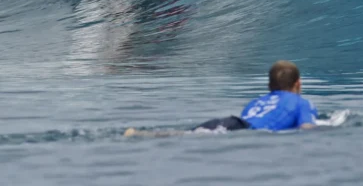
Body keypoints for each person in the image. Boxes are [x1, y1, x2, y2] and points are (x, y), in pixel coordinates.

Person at [124, 61, 317, 137]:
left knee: (185, 134)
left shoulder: (257, 102)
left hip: (230, 122)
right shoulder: (302, 103)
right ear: (298, 84)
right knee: (187, 136)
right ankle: (139, 134)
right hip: (241, 129)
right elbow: (306, 129)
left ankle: (139, 133)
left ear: (269, 86)